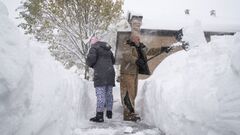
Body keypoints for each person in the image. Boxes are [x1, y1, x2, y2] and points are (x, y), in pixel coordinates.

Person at [120, 35, 171, 121]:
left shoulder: (140, 47)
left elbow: (150, 51)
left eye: (139, 38)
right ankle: (127, 114)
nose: (139, 40)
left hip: (134, 72)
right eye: (137, 39)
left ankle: (131, 112)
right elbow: (127, 55)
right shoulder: (127, 45)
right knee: (128, 93)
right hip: (127, 73)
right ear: (132, 39)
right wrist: (136, 60)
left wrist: (162, 49)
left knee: (133, 93)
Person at [86, 36, 115, 123]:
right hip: (110, 73)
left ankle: (99, 116)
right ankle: (109, 112)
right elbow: (113, 61)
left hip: (100, 73)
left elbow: (91, 60)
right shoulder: (108, 49)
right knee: (109, 94)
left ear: (92, 42)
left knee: (100, 95)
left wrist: (92, 65)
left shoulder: (94, 47)